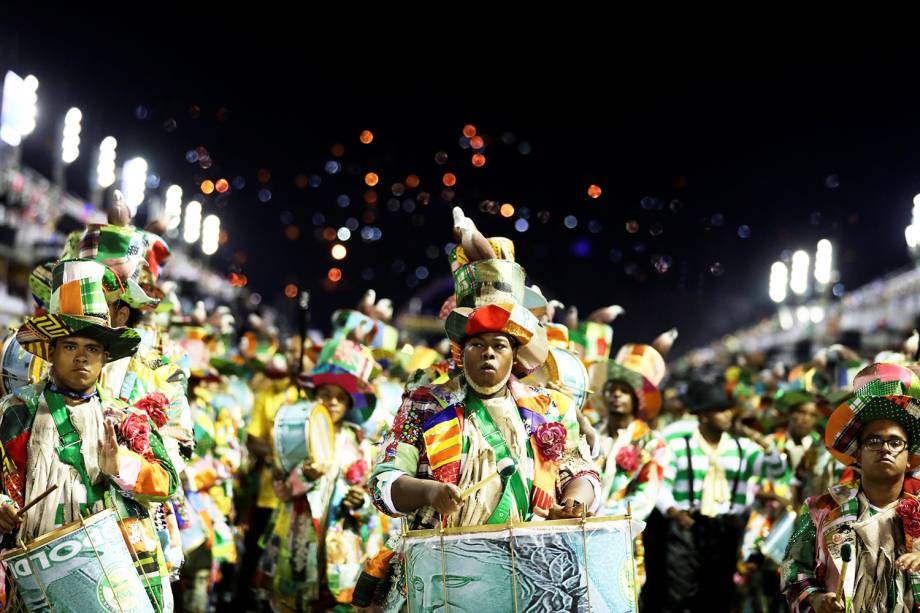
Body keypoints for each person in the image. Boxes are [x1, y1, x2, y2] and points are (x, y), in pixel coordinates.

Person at [0, 259, 179, 611]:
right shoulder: (16, 411)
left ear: (104, 358)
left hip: (108, 582)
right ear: (51, 351)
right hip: (35, 577)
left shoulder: (128, 420)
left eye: (92, 349)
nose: (81, 358)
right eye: (70, 346)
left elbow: (167, 483)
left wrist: (123, 466)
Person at [782, 363, 920, 612]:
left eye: (896, 442)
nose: (885, 448)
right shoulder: (818, 508)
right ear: (857, 453)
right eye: (874, 440)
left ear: (909, 457)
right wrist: (815, 598)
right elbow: (792, 569)